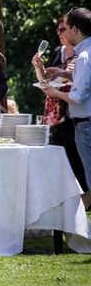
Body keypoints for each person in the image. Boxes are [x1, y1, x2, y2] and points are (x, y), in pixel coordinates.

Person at [32, 16, 87, 191]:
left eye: (63, 29)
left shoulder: (83, 54)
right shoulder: (58, 52)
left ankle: (82, 199)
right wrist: (38, 68)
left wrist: (63, 77)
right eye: (58, 30)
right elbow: (45, 82)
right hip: (55, 114)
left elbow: (80, 89)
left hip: (72, 113)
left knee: (77, 163)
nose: (60, 33)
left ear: (74, 30)